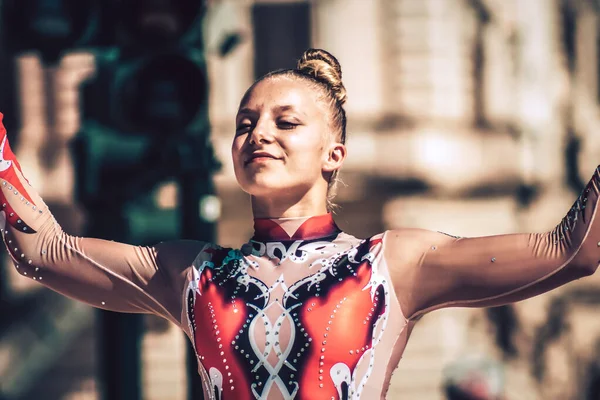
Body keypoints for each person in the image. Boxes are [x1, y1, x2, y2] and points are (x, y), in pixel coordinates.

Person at [1, 48, 599, 400]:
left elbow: (570, 250)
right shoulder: (191, 273)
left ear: (333, 154)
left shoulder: (394, 265)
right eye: (245, 123)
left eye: (286, 123)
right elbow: (41, 252)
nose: (258, 134)